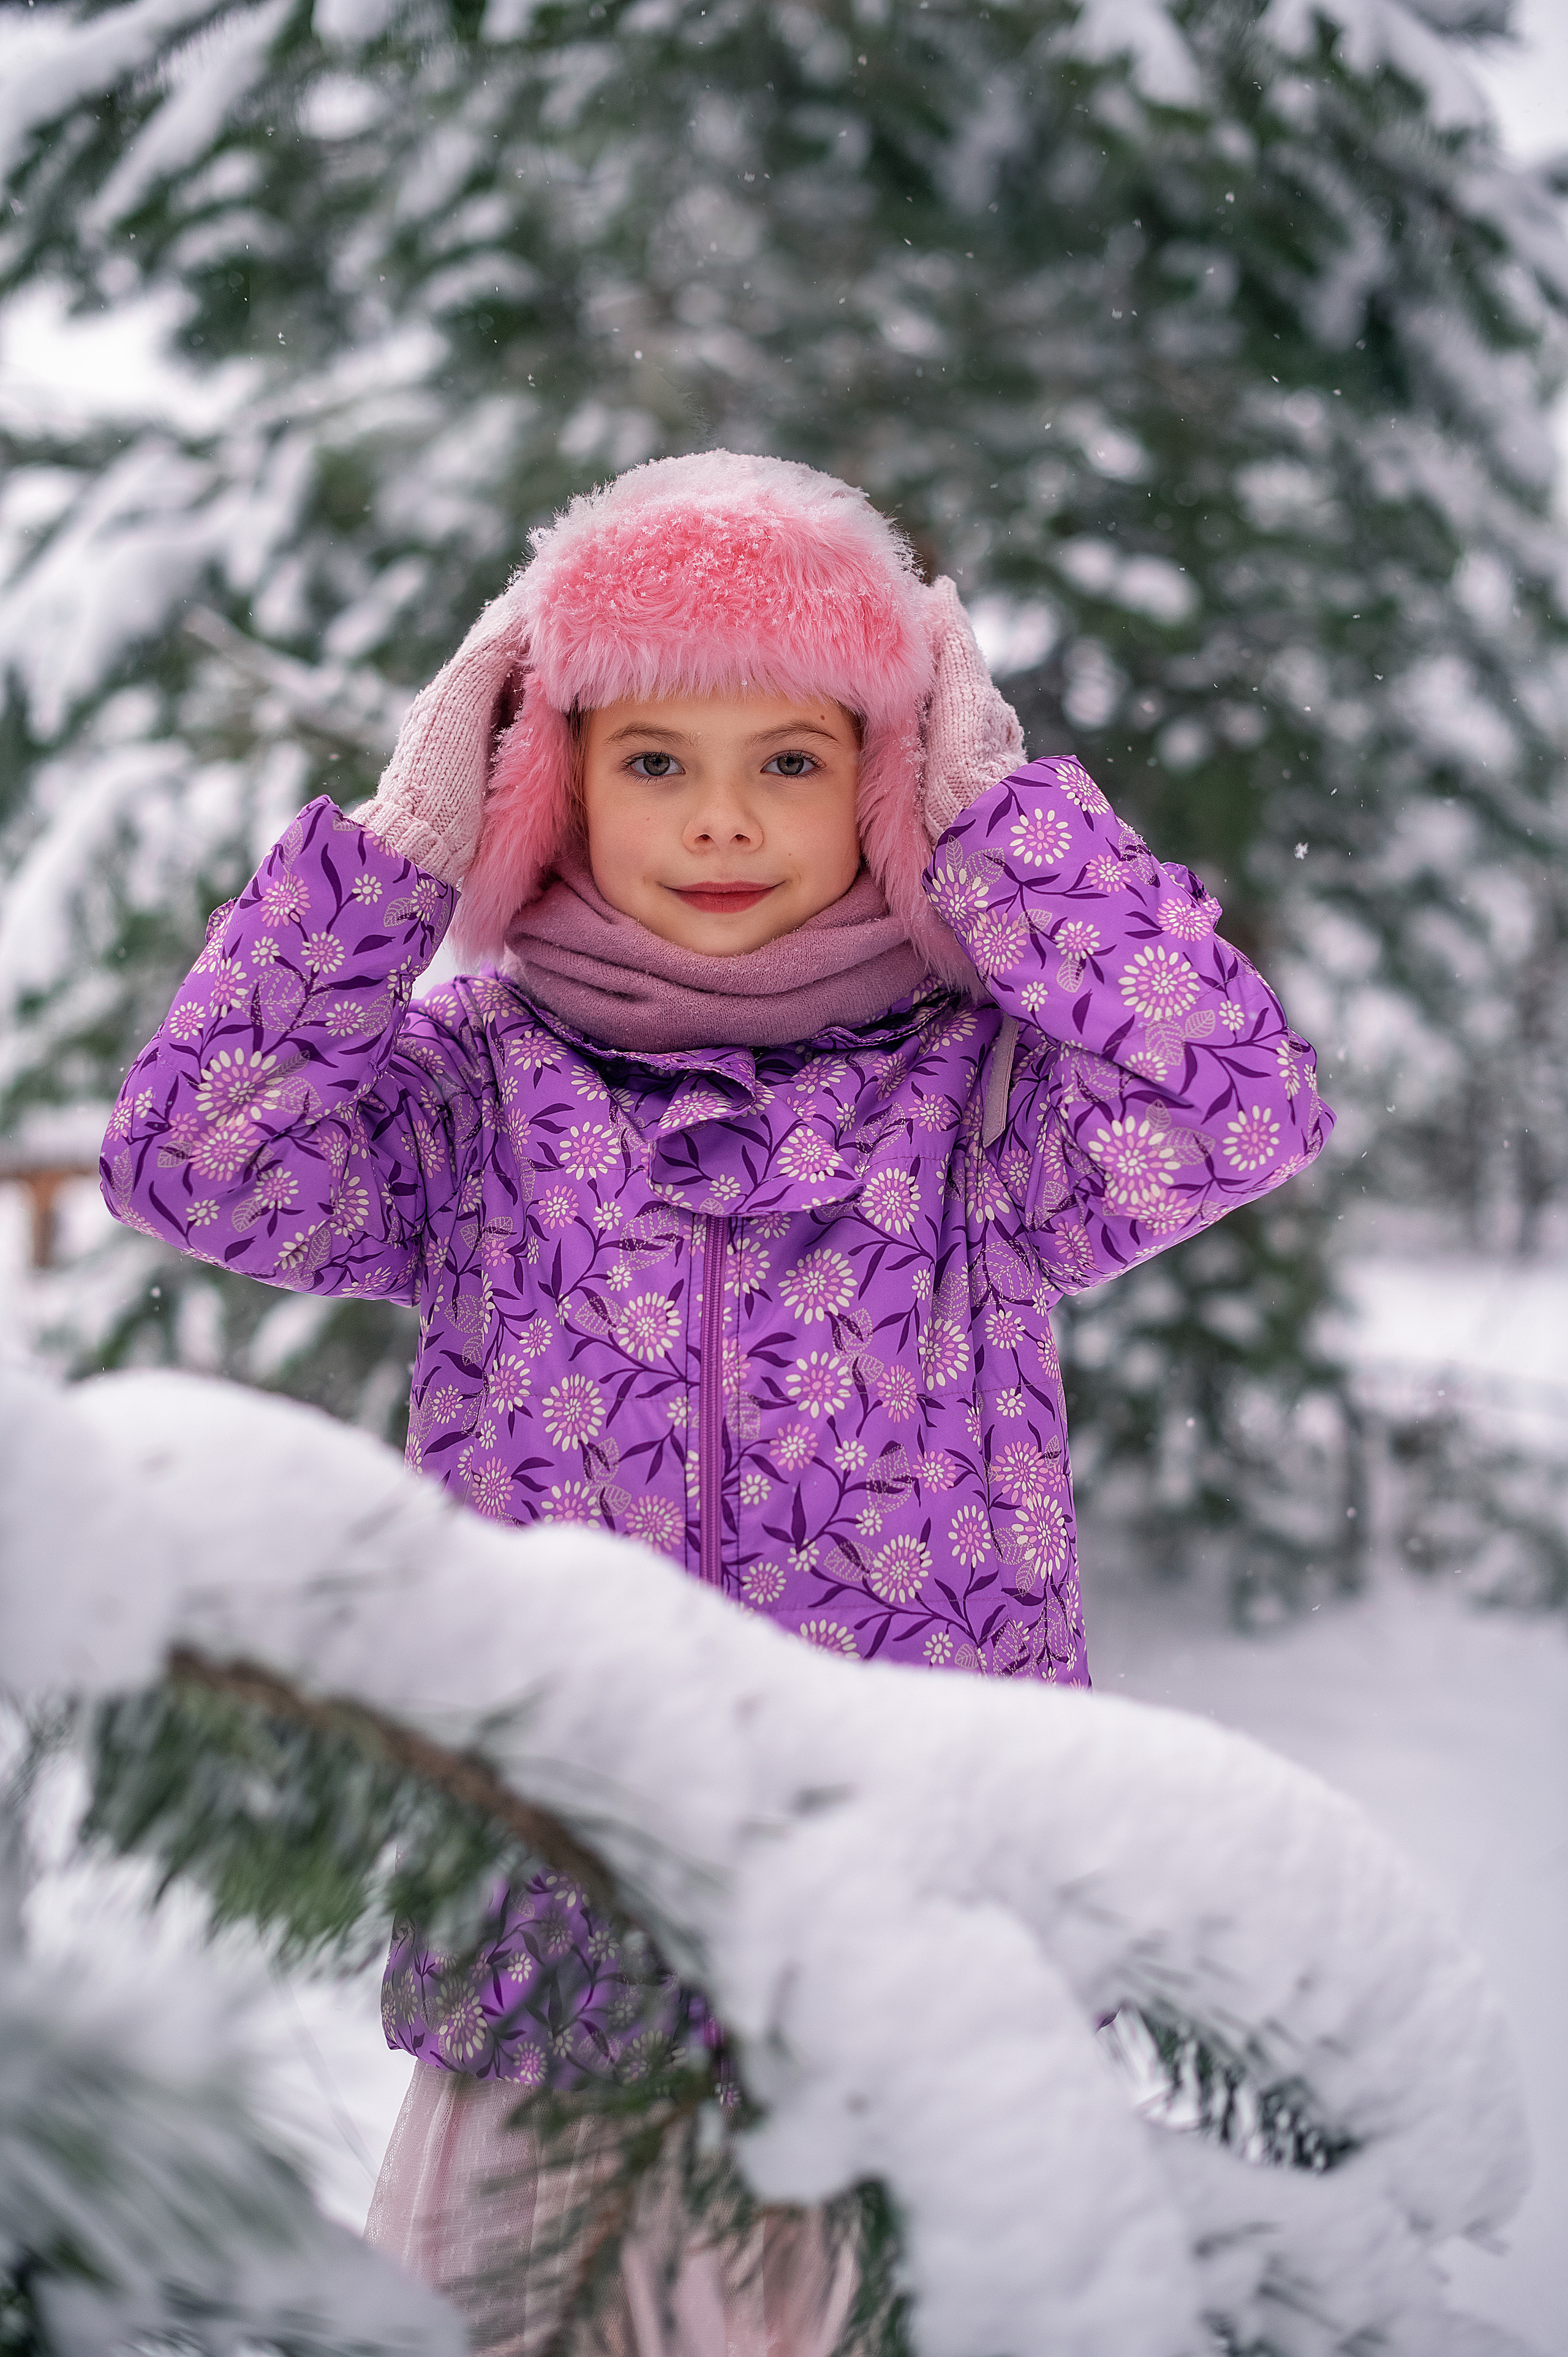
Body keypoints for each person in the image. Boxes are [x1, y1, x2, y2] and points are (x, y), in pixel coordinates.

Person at [102, 450, 1331, 2355]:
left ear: (885, 784)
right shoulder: (468, 1098)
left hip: (911, 1956)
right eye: (655, 758)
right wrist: (396, 862)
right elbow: (194, 1160)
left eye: (796, 758)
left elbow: (1235, 1102)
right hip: (554, 1949)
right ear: (554, 781)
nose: (726, 819)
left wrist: (1008, 832)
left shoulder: (983, 1111)